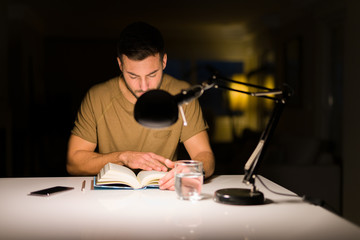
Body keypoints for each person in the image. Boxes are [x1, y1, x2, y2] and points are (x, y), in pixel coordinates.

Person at [66, 22, 215, 190]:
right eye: (133, 75)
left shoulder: (183, 96)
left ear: (164, 61)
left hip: (165, 197)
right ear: (120, 65)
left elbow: (205, 156)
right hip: (109, 202)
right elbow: (73, 163)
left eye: (152, 74)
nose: (144, 86)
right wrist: (122, 157)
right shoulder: (97, 97)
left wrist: (192, 170)